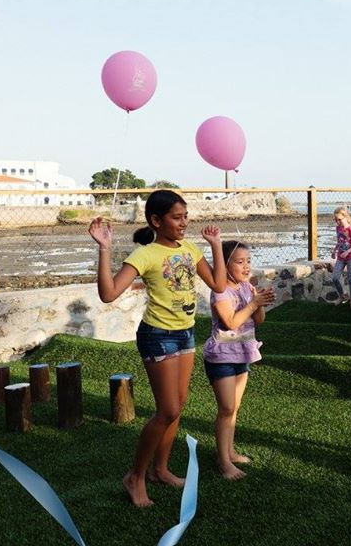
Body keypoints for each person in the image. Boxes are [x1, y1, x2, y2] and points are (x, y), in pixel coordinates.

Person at [89, 189, 227, 508]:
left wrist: (217, 247)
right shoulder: (145, 254)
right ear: (156, 221)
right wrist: (105, 249)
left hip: (185, 334)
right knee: (167, 411)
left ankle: (160, 469)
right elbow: (108, 294)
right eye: (176, 218)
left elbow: (219, 285)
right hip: (158, 335)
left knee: (179, 404)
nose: (184, 223)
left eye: (185, 216)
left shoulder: (190, 248)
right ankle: (134, 476)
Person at [204, 240, 275, 479]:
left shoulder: (246, 287)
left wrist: (260, 302)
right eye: (240, 262)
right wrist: (254, 303)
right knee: (226, 408)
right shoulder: (220, 290)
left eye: (248, 261)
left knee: (234, 407)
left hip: (242, 352)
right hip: (221, 356)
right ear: (225, 265)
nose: (246, 267)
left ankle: (230, 452)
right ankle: (223, 462)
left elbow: (259, 321)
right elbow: (230, 322)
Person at [331, 207, 351, 308]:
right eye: (335, 219)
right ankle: (342, 296)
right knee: (334, 278)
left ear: (345, 217)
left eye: (339, 219)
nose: (337, 221)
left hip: (350, 257)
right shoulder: (338, 228)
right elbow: (340, 241)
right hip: (340, 257)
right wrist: (334, 250)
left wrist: (348, 251)